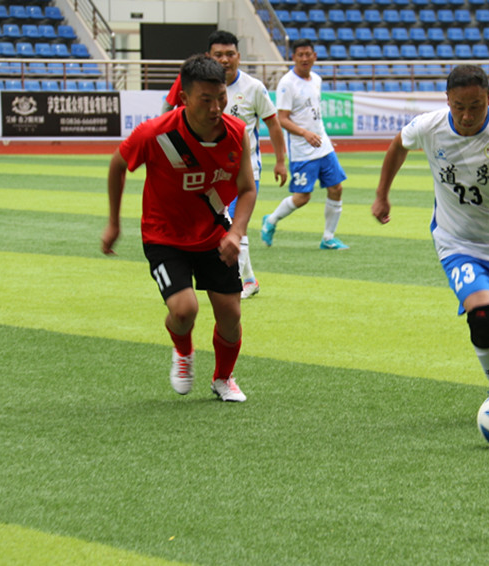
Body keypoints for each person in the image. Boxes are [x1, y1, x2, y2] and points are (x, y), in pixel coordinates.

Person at [371, 64, 489, 417]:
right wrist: (382, 195)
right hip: (456, 243)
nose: (467, 115)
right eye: (459, 106)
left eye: (476, 106)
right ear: (447, 100)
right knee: (483, 314)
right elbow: (398, 145)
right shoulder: (429, 126)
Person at [102, 54, 255, 402]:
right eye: (206, 100)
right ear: (184, 98)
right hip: (164, 236)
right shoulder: (154, 133)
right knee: (184, 311)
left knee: (231, 316)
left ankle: (223, 378)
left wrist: (236, 232)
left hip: (214, 233)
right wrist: (114, 222)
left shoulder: (236, 133)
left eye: (221, 98)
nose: (216, 108)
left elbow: (247, 189)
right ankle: (183, 349)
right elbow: (117, 165)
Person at [162, 30, 287, 299]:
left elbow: (273, 124)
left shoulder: (253, 88)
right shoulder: (197, 87)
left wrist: (280, 161)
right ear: (208, 56)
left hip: (244, 170)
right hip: (208, 172)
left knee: (232, 222)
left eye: (230, 54)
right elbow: (169, 112)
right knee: (221, 222)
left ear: (238, 56)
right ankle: (249, 279)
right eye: (218, 54)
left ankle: (240, 282)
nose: (225, 60)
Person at [260, 38, 349, 250]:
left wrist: (319, 134)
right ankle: (271, 220)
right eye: (300, 55)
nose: (304, 58)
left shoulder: (316, 79)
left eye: (308, 54)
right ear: (293, 57)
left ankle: (328, 238)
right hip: (302, 151)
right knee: (302, 197)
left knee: (336, 188)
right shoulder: (287, 84)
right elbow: (282, 119)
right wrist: (305, 133)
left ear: (314, 56)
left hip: (323, 145)